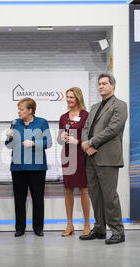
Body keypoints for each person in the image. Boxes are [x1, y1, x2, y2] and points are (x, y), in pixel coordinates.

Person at [80, 73, 128, 245]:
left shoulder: (120, 105)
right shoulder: (94, 107)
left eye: (105, 83)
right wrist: (85, 144)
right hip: (91, 158)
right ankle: (100, 228)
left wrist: (91, 142)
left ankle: (117, 231)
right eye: (99, 84)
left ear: (113, 86)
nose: (101, 86)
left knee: (109, 196)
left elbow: (113, 129)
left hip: (107, 158)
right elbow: (86, 127)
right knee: (95, 196)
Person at [5, 98, 52, 237]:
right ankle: (20, 228)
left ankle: (38, 227)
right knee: (19, 200)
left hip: (37, 168)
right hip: (18, 167)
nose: (19, 112)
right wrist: (8, 138)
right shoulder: (15, 123)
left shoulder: (42, 122)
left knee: (38, 199)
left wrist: (33, 143)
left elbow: (48, 142)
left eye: (22, 109)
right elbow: (8, 145)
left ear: (30, 110)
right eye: (18, 109)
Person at [57, 87, 91, 237]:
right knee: (68, 190)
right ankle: (69, 224)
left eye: (72, 97)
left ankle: (87, 224)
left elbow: (90, 137)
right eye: (68, 97)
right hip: (67, 155)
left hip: (81, 155)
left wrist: (77, 141)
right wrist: (62, 137)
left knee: (84, 190)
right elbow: (59, 139)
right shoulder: (63, 117)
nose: (69, 100)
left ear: (78, 98)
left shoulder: (86, 115)